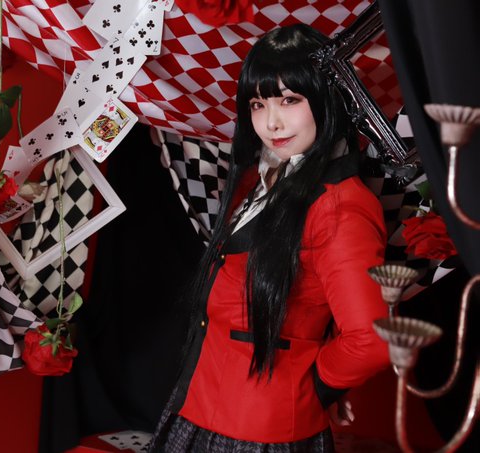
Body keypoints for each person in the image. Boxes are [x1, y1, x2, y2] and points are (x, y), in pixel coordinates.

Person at [149, 24, 391, 452]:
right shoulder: (261, 180)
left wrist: (318, 387)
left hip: (258, 430)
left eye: (290, 100)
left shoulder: (341, 207)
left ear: (327, 98)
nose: (271, 122)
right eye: (258, 104)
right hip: (199, 401)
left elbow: (371, 339)